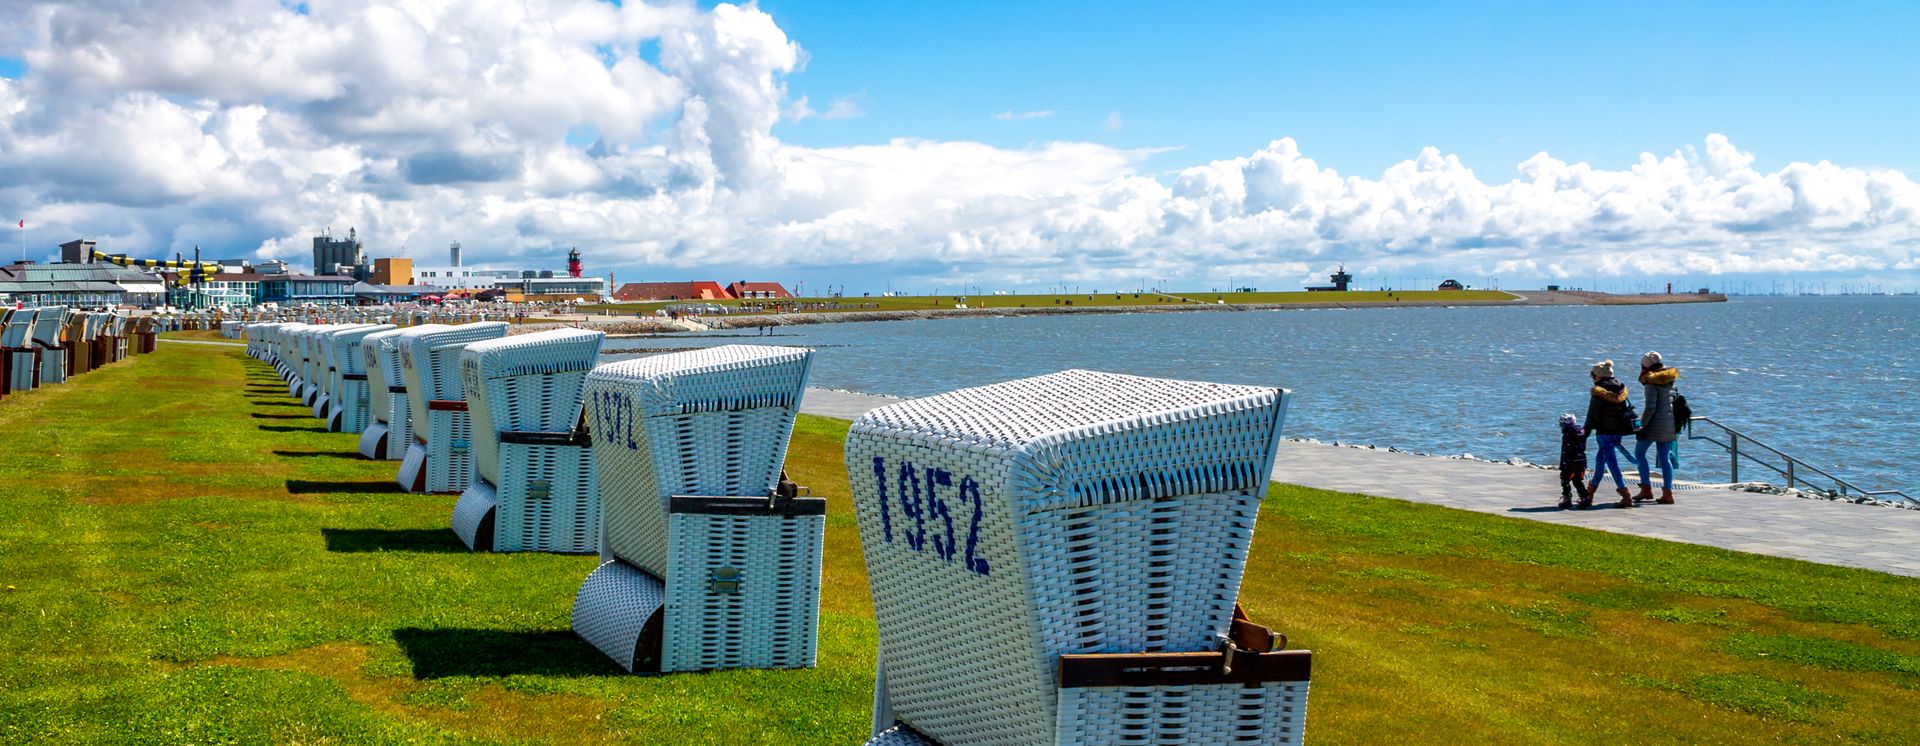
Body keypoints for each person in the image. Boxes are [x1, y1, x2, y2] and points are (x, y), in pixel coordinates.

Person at [1583, 360, 1637, 508]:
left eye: (1593, 376)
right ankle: (1589, 494)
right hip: (1617, 432)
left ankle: (1625, 495)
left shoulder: (1598, 392)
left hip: (1604, 432)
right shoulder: (1620, 389)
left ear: (1598, 377)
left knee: (1612, 464)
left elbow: (1592, 416)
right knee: (1600, 463)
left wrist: (1584, 434)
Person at [1634, 351, 1680, 504]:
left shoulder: (1651, 382)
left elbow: (1650, 408)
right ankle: (1668, 492)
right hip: (1669, 424)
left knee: (1639, 454)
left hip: (1653, 425)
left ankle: (1646, 488)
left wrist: (1641, 426)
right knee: (1665, 458)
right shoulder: (1671, 380)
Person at [1557, 413, 1592, 509]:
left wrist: (1563, 464)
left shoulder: (1568, 433)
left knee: (1565, 480)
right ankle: (1585, 497)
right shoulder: (1581, 431)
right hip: (1581, 461)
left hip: (1569, 462)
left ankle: (1567, 498)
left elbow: (1566, 450)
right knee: (1577, 481)